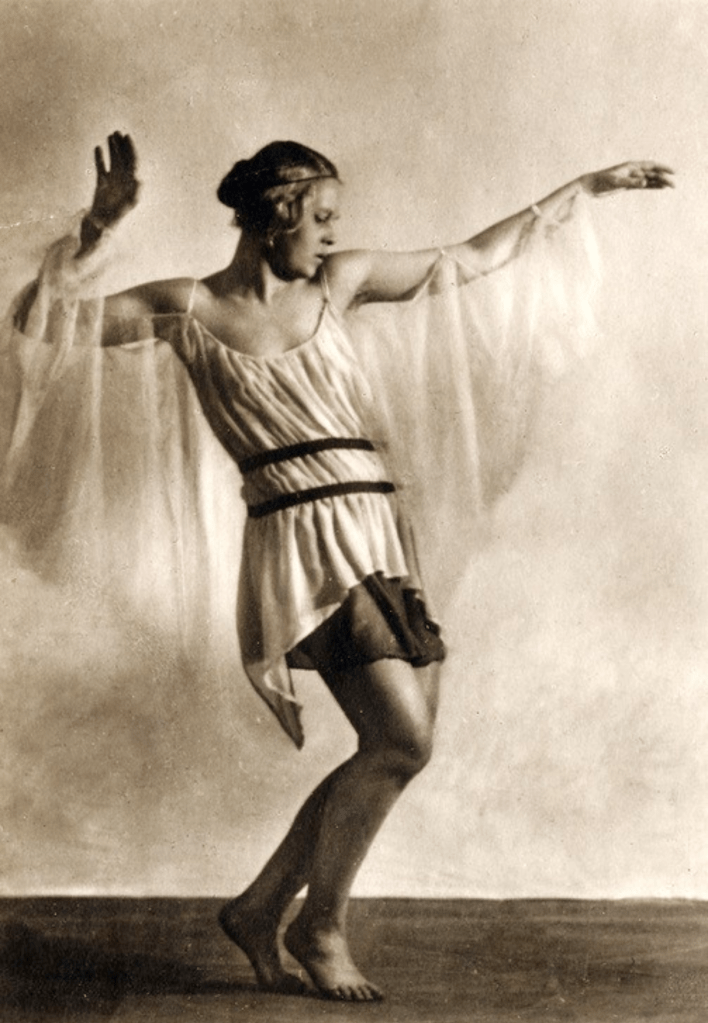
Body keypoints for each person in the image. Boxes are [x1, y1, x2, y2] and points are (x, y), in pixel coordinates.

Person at [12, 132, 674, 1002]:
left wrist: (583, 186)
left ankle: (260, 908)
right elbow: (42, 322)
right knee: (404, 738)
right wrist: (95, 231)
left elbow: (471, 258)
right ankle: (318, 926)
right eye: (320, 216)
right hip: (304, 544)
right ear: (276, 213)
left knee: (394, 745)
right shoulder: (187, 307)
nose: (332, 233)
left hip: (380, 530)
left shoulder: (339, 283)